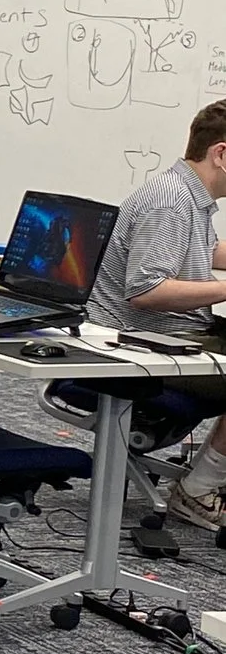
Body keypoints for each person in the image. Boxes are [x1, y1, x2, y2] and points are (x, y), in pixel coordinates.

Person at [86, 99, 226, 528]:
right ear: (221, 153)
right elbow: (147, 290)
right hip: (134, 347)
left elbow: (200, 254)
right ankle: (200, 488)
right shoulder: (170, 202)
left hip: (162, 333)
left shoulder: (187, 195)